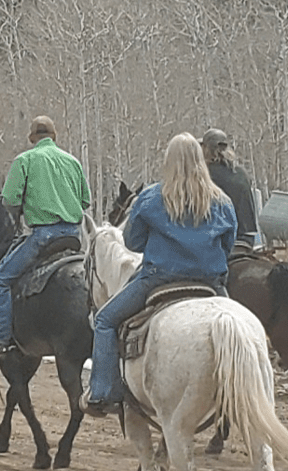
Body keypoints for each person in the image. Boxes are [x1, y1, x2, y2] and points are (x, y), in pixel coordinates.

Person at [84, 133, 237, 417]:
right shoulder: (223, 202)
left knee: (105, 320)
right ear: (200, 161)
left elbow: (132, 243)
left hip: (159, 279)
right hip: (211, 284)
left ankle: (103, 392)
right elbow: (228, 244)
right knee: (243, 332)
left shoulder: (152, 197)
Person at [0, 115, 92, 360]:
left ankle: (0, 339)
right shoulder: (72, 162)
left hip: (43, 237)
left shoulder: (25, 160)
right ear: (54, 136)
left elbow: (8, 200)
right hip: (74, 237)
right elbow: (85, 201)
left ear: (33, 139)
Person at [200, 128, 260, 247]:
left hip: (222, 238)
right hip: (248, 237)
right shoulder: (241, 172)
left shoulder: (206, 175)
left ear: (206, 150)